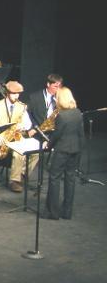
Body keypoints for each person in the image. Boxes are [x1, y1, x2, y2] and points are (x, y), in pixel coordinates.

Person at [0, 80, 39, 193]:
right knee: (19, 153)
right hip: (2, 139)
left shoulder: (21, 106)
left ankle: (22, 175)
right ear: (7, 93)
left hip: (16, 137)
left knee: (36, 152)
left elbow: (28, 124)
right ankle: (14, 181)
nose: (17, 96)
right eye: (14, 93)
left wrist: (22, 126)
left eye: (18, 93)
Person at [44, 87, 84, 220]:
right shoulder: (78, 112)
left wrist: (48, 145)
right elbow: (81, 134)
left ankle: (53, 212)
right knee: (70, 179)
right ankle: (67, 212)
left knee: (54, 179)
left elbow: (56, 135)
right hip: (75, 150)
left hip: (62, 151)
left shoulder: (61, 115)